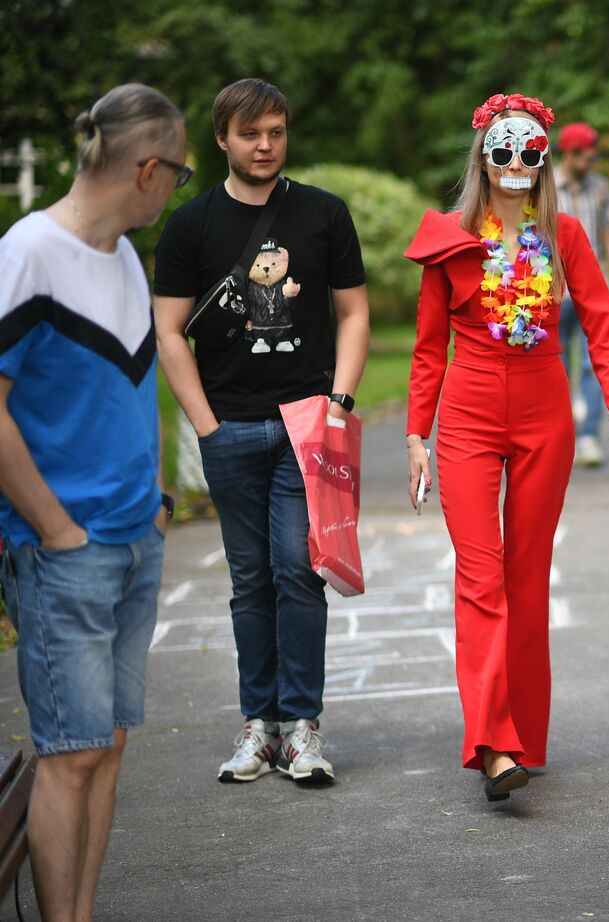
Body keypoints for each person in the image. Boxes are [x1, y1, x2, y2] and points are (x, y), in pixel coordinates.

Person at [404, 93, 609, 801]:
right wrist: (417, 434)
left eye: (529, 151)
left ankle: (525, 740)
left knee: (527, 580)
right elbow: (425, 350)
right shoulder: (450, 238)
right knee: (480, 579)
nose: (515, 163)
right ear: (483, 155)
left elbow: (601, 326)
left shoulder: (564, 234)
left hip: (544, 415)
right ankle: (492, 743)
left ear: (544, 160)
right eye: (502, 151)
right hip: (469, 417)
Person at [0, 83, 183, 922]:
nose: (176, 188)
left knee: (103, 750)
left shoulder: (123, 257)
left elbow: (130, 387)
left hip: (130, 540)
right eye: (178, 173)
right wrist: (56, 527)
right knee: (67, 757)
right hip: (64, 553)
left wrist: (150, 501)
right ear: (147, 169)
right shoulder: (29, 252)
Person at [154, 78, 370, 785]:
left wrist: (338, 403)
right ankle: (260, 726)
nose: (266, 145)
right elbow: (169, 334)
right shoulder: (189, 226)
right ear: (222, 138)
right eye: (251, 134)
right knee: (249, 582)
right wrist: (207, 428)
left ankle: (302, 727)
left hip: (308, 425)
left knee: (298, 573)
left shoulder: (323, 214)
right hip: (231, 429)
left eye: (276, 131)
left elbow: (354, 314)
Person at [554, 120, 609, 467]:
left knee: (594, 365)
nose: (591, 162)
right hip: (553, 291)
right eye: (586, 155)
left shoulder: (601, 188)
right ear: (571, 153)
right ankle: (564, 435)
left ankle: (589, 435)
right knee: (559, 367)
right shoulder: (545, 186)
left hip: (592, 290)